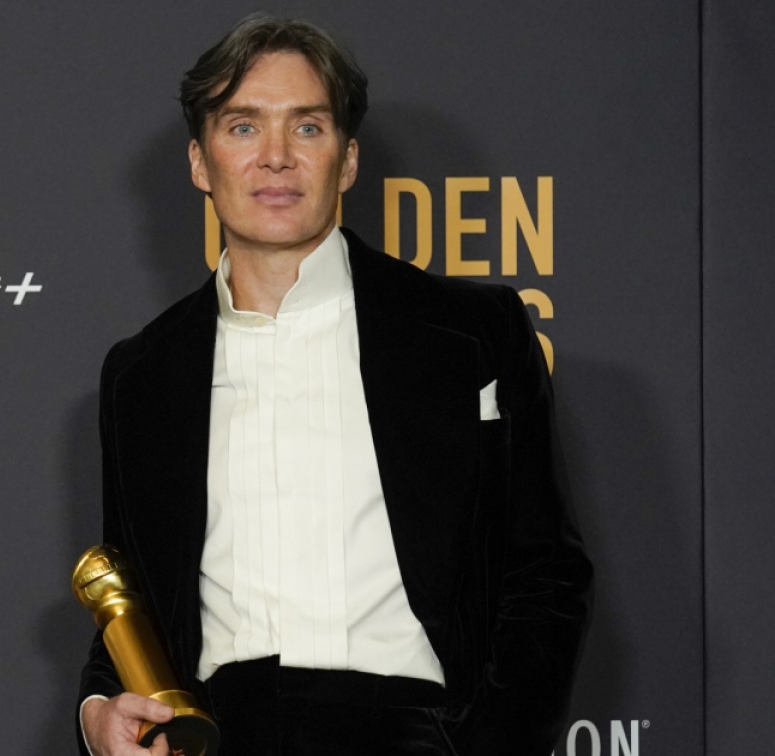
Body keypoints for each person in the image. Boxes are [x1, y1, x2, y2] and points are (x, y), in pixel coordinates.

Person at [77, 13, 591, 756]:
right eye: (244, 127)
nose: (276, 156)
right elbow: (136, 601)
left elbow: (546, 576)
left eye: (308, 127)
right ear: (200, 162)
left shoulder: (475, 333)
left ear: (347, 161)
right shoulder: (142, 375)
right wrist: (98, 711)